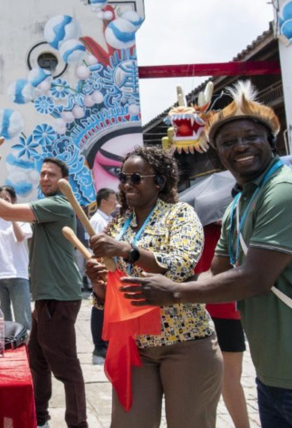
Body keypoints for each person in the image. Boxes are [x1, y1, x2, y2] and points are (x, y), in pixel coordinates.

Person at [118, 81, 292, 427]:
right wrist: (166, 288)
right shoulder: (240, 202)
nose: (240, 146)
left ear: (272, 142)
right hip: (274, 376)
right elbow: (217, 271)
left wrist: (174, 292)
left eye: (251, 137)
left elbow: (255, 278)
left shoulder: (286, 190)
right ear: (217, 153)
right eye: (227, 141)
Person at [86, 146, 222, 427]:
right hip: (136, 346)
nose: (126, 184)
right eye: (123, 178)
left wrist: (127, 250)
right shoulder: (118, 225)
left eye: (136, 178)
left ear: (159, 181)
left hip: (184, 342)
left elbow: (181, 264)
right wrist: (98, 282)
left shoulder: (180, 214)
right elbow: (111, 293)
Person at [0, 158, 87, 428]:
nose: (45, 178)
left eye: (52, 174)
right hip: (46, 296)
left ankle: (78, 423)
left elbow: (8, 212)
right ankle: (40, 418)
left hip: (60, 296)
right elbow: (3, 212)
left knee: (65, 366)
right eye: (42, 174)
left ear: (64, 181)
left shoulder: (58, 204)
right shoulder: (45, 205)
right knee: (38, 360)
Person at [194, 222, 250, 428]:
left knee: (200, 380)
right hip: (225, 308)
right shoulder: (235, 227)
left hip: (201, 305)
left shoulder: (198, 224)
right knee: (231, 378)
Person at [0, 185, 33, 331]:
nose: (3, 202)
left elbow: (20, 237)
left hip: (17, 274)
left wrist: (11, 215)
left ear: (13, 200)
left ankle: (25, 345)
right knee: (1, 324)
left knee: (23, 321)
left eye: (6, 199)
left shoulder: (22, 219)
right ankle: (4, 344)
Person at [88, 188, 117, 365]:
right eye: (113, 199)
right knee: (100, 306)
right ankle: (99, 347)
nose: (116, 202)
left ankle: (106, 344)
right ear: (104, 201)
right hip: (102, 270)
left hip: (111, 270)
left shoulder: (108, 220)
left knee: (108, 308)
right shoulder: (97, 221)